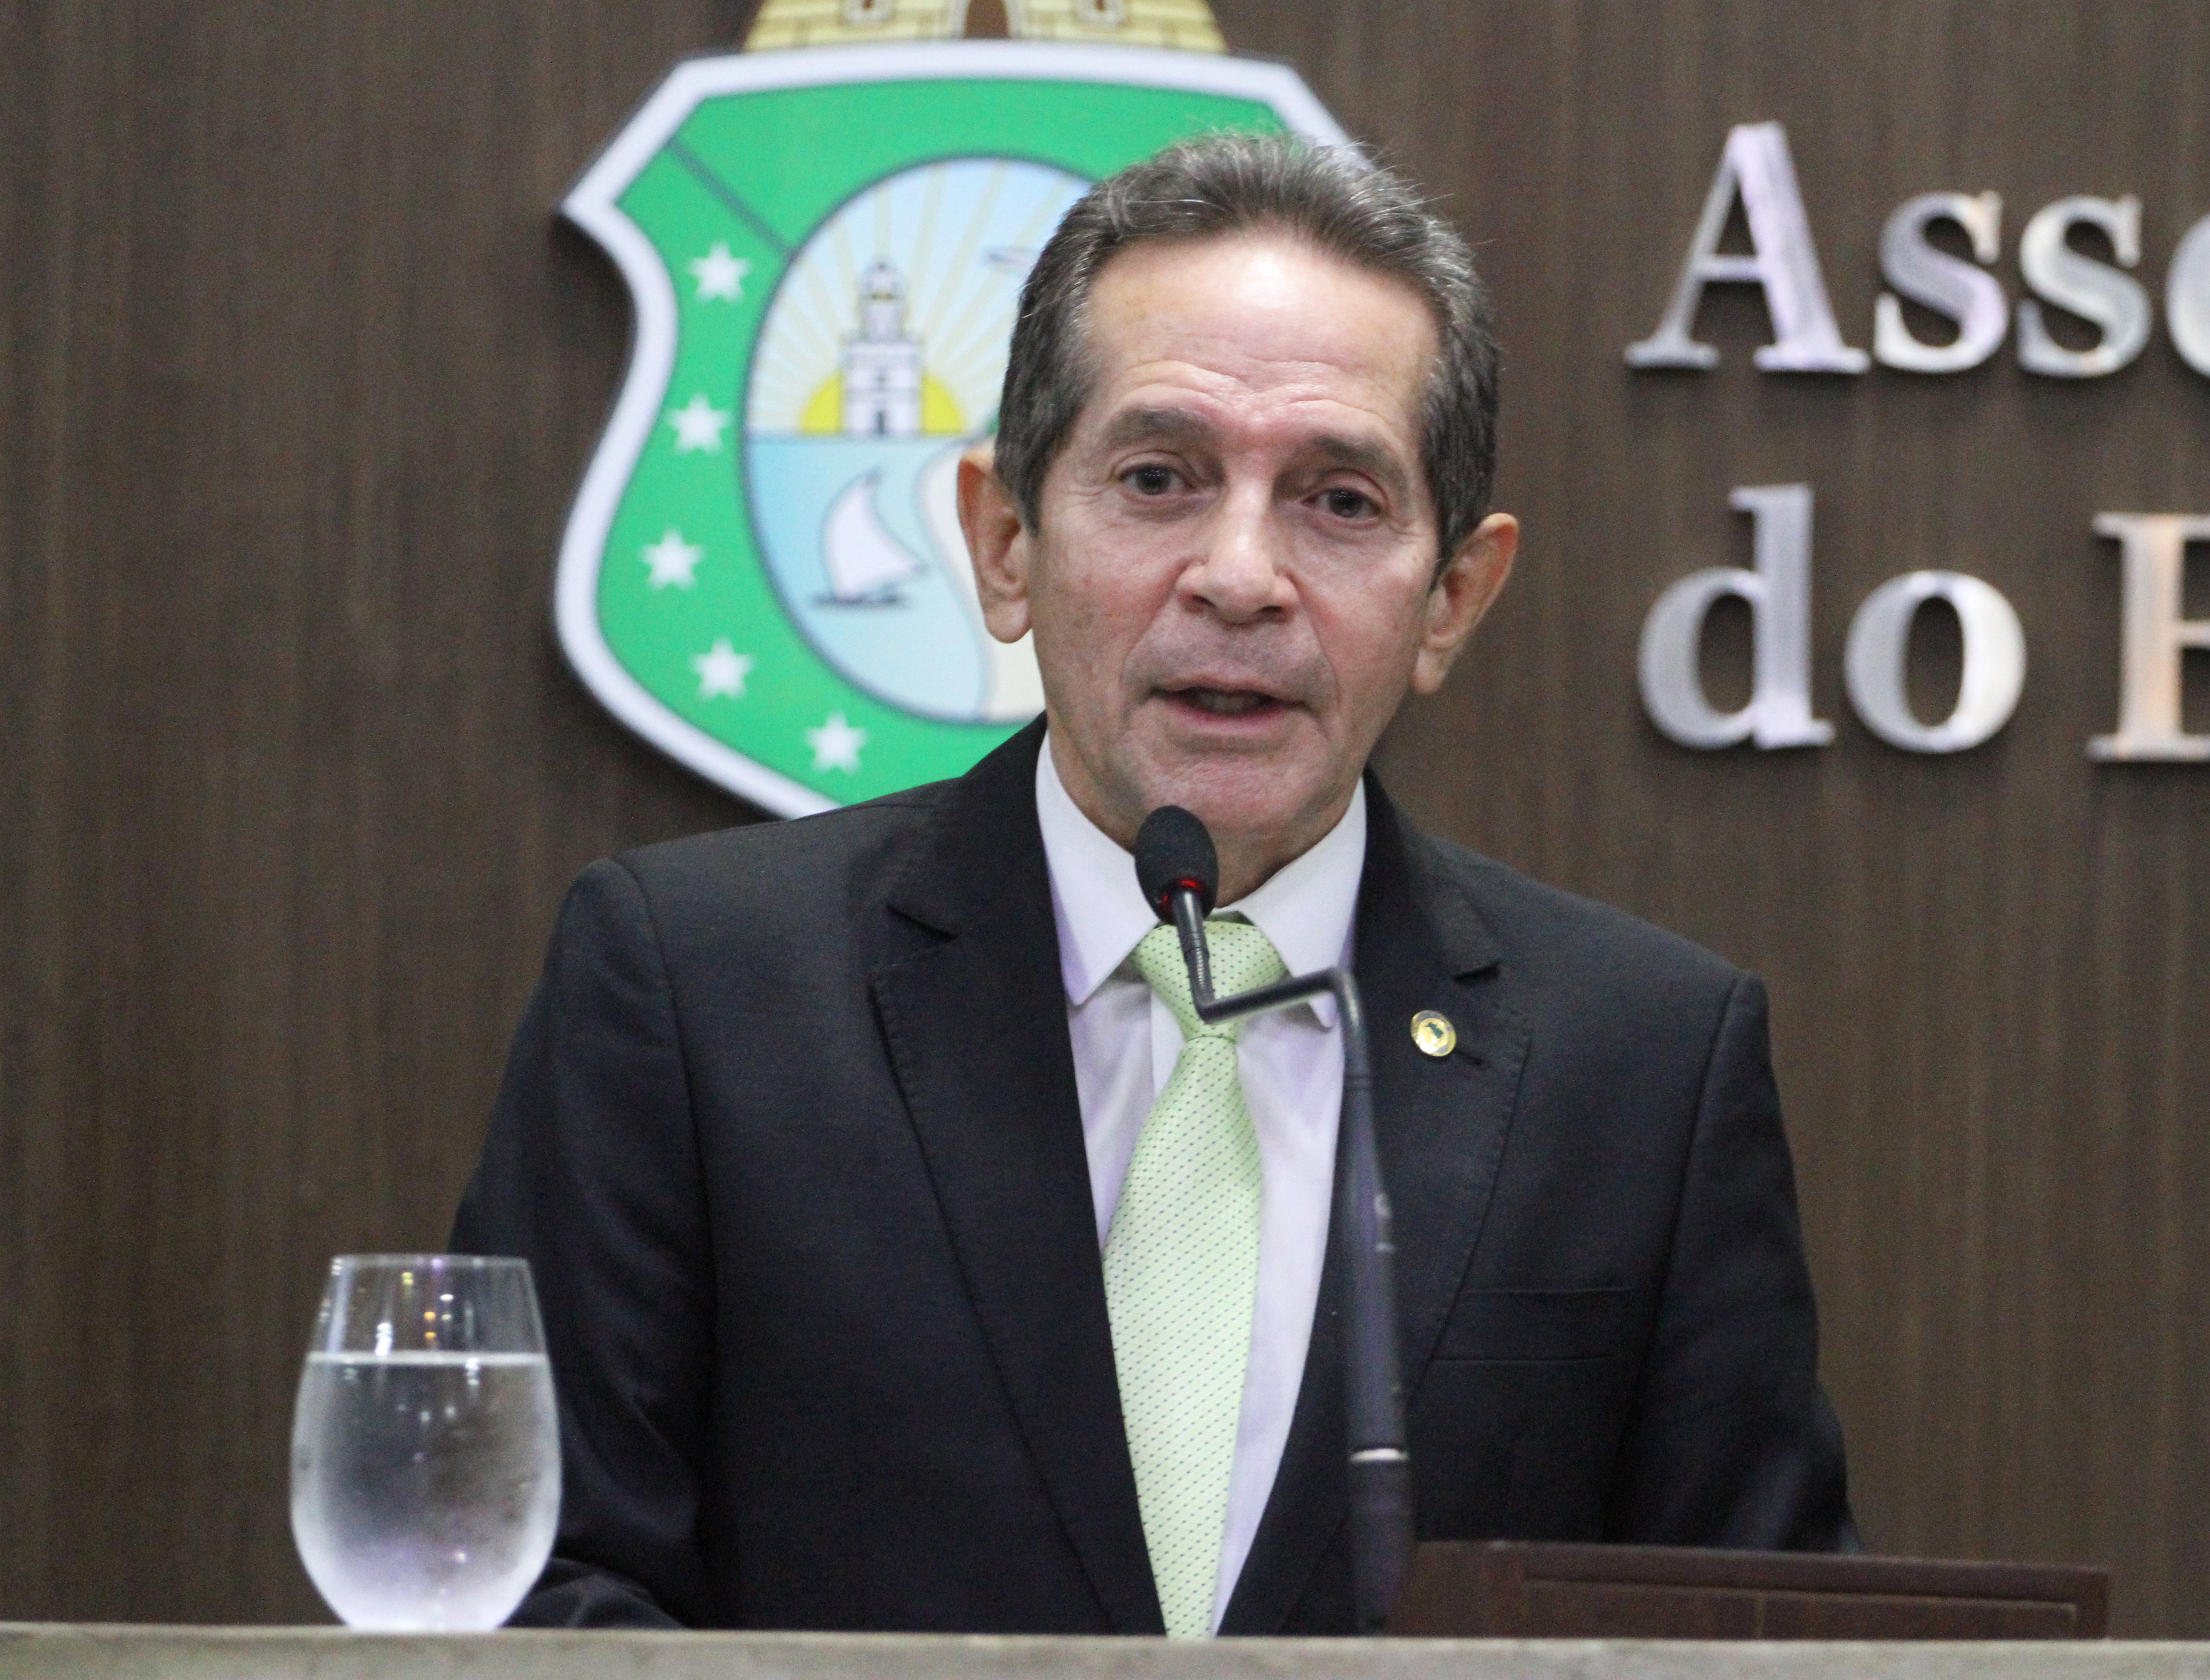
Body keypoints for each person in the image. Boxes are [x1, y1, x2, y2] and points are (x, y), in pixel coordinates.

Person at [453, 132, 1855, 1636]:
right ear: (1006, 542)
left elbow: (1761, 1645)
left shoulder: (1642, 1065)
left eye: (1340, 502)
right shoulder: (696, 989)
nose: (1240, 576)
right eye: (1158, 479)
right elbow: (526, 1589)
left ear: (1453, 597)